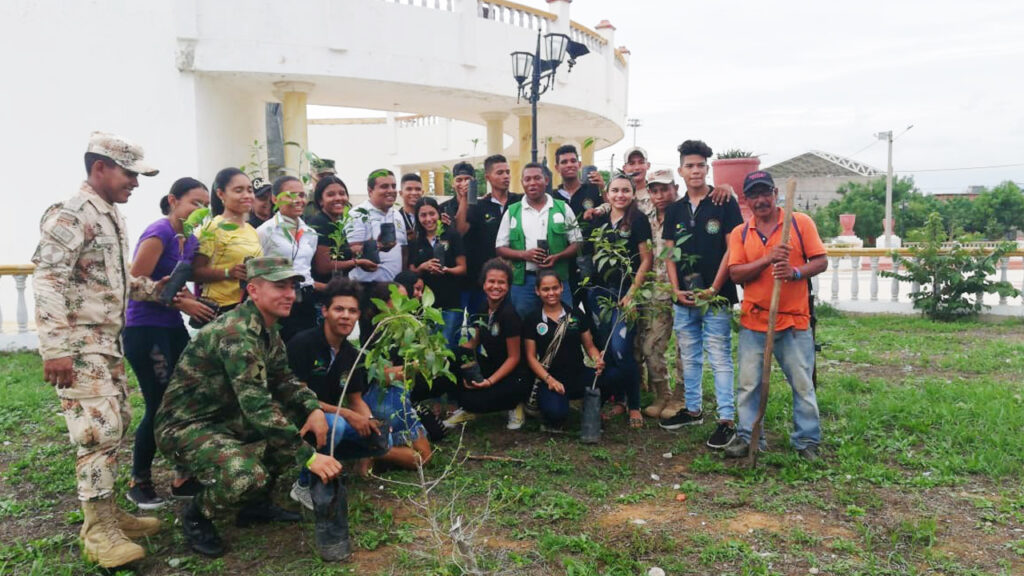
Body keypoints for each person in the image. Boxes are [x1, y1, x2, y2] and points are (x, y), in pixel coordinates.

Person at [32, 132, 165, 567]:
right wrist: (55, 349)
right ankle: (98, 532)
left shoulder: (108, 214)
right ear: (100, 168)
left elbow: (108, 278)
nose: (136, 183)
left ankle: (109, 514)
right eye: (130, 174)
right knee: (97, 432)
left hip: (106, 344)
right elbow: (49, 278)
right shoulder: (71, 215)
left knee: (117, 423)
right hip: (79, 344)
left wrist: (154, 290)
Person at [155, 257, 343, 558]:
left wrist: (313, 409)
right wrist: (309, 458)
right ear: (253, 291)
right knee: (245, 474)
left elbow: (284, 379)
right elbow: (258, 405)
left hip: (226, 418)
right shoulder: (236, 335)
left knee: (298, 419)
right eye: (279, 286)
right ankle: (196, 515)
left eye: (292, 287)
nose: (290, 294)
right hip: (186, 427)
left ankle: (254, 504)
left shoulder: (268, 330)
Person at [286, 278, 431, 510]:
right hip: (299, 416)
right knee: (339, 425)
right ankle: (304, 484)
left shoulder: (350, 354)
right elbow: (295, 396)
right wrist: (348, 414)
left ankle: (336, 465)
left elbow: (356, 400)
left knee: (383, 435)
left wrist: (371, 421)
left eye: (352, 311)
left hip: (329, 416)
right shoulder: (304, 343)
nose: (346, 316)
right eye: (339, 309)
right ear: (325, 311)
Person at [723, 171, 828, 461]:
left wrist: (795, 273)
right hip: (754, 322)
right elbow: (735, 273)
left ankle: (807, 440)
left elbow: (820, 261)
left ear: (775, 193)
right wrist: (768, 259)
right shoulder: (741, 233)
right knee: (748, 385)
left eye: (764, 193)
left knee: (802, 384)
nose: (760, 200)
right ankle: (748, 436)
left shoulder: (799, 223)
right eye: (753, 195)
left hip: (794, 321)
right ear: (747, 200)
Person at [124, 177, 215, 510]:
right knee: (159, 403)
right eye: (195, 202)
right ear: (173, 200)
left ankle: (182, 476)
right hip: (144, 329)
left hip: (171, 327)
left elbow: (181, 280)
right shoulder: (159, 232)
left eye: (206, 205)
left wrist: (199, 299)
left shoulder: (188, 240)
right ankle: (139, 480)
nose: (201, 210)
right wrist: (183, 303)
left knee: (184, 399)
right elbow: (137, 281)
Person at [658, 141, 745, 450]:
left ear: (707, 169)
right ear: (681, 171)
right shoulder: (675, 209)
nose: (695, 171)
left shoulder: (723, 202)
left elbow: (732, 248)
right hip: (683, 298)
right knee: (689, 356)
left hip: (716, 296)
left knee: (720, 356)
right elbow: (668, 252)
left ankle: (726, 420)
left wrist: (714, 288)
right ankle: (692, 410)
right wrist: (674, 289)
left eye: (700, 166)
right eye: (689, 166)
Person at [587, 174, 652, 428]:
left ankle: (634, 404)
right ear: (607, 193)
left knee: (622, 349)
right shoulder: (600, 219)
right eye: (615, 190)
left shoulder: (639, 219)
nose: (620, 195)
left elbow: (646, 258)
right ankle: (617, 400)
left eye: (626, 190)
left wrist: (633, 293)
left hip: (626, 294)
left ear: (633, 194)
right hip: (600, 293)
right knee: (605, 349)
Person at [443, 259, 531, 430]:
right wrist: (447, 357)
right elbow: (473, 343)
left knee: (472, 402)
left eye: (501, 282)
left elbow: (514, 358)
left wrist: (489, 382)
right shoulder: (483, 308)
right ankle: (469, 404)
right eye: (491, 281)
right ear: (483, 284)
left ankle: (515, 404)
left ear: (508, 286)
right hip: (492, 365)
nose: (496, 286)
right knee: (453, 357)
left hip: (515, 376)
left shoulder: (509, 314)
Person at [523, 270, 607, 432]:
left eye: (555, 288)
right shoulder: (532, 318)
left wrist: (597, 360)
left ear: (562, 288)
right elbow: (531, 357)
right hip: (550, 379)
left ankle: (590, 409)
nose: (551, 293)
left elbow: (589, 346)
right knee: (556, 415)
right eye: (546, 289)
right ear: (537, 291)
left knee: (609, 377)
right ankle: (553, 409)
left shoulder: (575, 314)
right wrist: (549, 380)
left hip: (577, 374)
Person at [496, 163, 581, 318]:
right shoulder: (513, 211)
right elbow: (500, 248)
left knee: (563, 323)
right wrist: (524, 255)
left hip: (557, 279)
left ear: (546, 180)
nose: (532, 183)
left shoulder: (563, 208)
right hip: (524, 283)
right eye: (527, 179)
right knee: (522, 323)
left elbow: (577, 243)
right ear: (522, 182)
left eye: (537, 178)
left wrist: (558, 256)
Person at [635, 169, 687, 419]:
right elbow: (614, 201)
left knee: (685, 347)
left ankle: (681, 395)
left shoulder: (687, 213)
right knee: (651, 344)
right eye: (654, 190)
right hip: (656, 291)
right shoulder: (647, 214)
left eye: (665, 189)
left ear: (675, 188)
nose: (660, 195)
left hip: (686, 289)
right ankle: (662, 392)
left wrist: (727, 188)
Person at [347, 169, 409, 342]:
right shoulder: (358, 214)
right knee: (372, 340)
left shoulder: (396, 214)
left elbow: (403, 249)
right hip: (368, 288)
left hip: (395, 288)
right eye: (384, 186)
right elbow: (352, 249)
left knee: (396, 339)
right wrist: (377, 245)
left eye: (393, 186)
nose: (390, 190)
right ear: (370, 190)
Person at [257, 175, 320, 342]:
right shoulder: (265, 231)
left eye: (301, 195)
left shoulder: (310, 233)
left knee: (307, 346)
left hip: (306, 297)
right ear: (275, 198)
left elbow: (306, 268)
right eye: (291, 195)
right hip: (279, 298)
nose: (298, 200)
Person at [191, 168, 262, 312]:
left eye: (250, 190)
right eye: (238, 190)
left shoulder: (251, 230)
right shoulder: (212, 228)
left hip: (250, 306)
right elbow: (194, 272)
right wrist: (229, 272)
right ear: (221, 194)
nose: (247, 195)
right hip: (222, 309)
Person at [459, 154, 522, 315]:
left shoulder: (520, 202)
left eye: (507, 172)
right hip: (485, 281)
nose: (506, 176)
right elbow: (461, 230)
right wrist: (464, 198)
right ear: (488, 177)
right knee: (481, 326)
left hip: (516, 279)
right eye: (500, 173)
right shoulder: (478, 206)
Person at [409, 197, 467, 349]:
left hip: (450, 301)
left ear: (439, 214)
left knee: (447, 346)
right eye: (423, 215)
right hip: (425, 305)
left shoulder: (451, 235)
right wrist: (423, 267)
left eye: (432, 214)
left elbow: (462, 267)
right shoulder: (416, 240)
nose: (428, 219)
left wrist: (446, 269)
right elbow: (411, 270)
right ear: (418, 217)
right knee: (426, 348)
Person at [310, 175, 361, 282]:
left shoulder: (336, 222)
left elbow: (336, 253)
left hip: (337, 287)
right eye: (330, 195)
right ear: (320, 201)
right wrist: (357, 263)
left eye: (342, 193)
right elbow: (324, 266)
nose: (338, 198)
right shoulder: (320, 222)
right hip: (324, 291)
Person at [398, 173, 424, 243]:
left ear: (422, 192)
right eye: (409, 189)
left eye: (418, 189)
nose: (414, 192)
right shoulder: (395, 217)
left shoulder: (429, 217)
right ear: (401, 193)